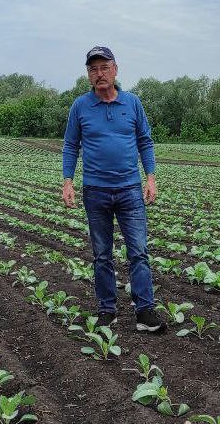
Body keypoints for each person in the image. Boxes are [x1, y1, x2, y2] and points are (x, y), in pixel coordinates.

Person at [62, 46, 165, 333]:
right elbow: (71, 145)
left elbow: (145, 141)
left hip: (130, 190)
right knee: (102, 254)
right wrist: (67, 181)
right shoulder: (80, 106)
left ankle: (145, 311)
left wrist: (151, 178)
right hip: (95, 191)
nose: (99, 74)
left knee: (139, 252)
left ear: (115, 70)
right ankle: (107, 309)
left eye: (104, 67)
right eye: (93, 69)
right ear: (88, 74)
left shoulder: (132, 103)